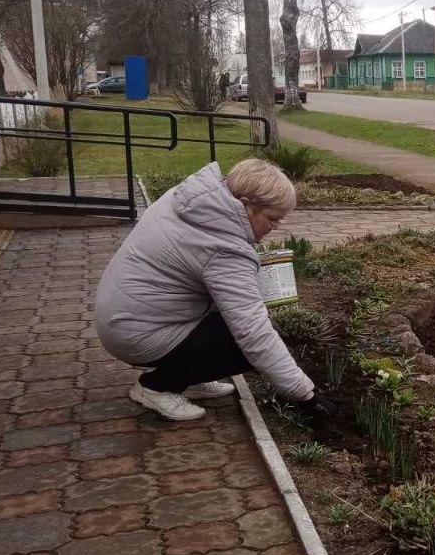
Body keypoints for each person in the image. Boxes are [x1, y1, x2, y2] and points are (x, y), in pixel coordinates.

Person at [94, 158, 336, 422]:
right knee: (242, 346)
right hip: (135, 335)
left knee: (230, 323)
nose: (275, 228)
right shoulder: (223, 250)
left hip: (123, 315)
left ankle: (187, 378)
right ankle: (157, 387)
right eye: (273, 219)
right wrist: (306, 395)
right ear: (245, 205)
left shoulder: (193, 200)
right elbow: (254, 333)